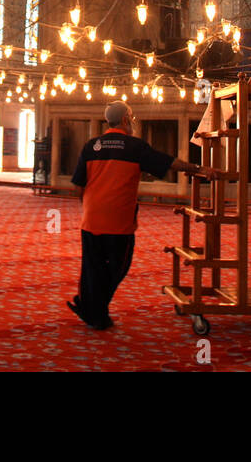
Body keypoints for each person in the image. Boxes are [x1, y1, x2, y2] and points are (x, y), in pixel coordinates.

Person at [68, 100, 210, 330]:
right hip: (118, 223)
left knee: (92, 267)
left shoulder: (90, 146)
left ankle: (89, 306)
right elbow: (170, 163)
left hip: (91, 219)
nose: (132, 122)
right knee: (118, 267)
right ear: (125, 120)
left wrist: (90, 207)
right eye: (131, 118)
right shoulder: (133, 147)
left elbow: (78, 186)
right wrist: (199, 169)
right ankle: (94, 311)